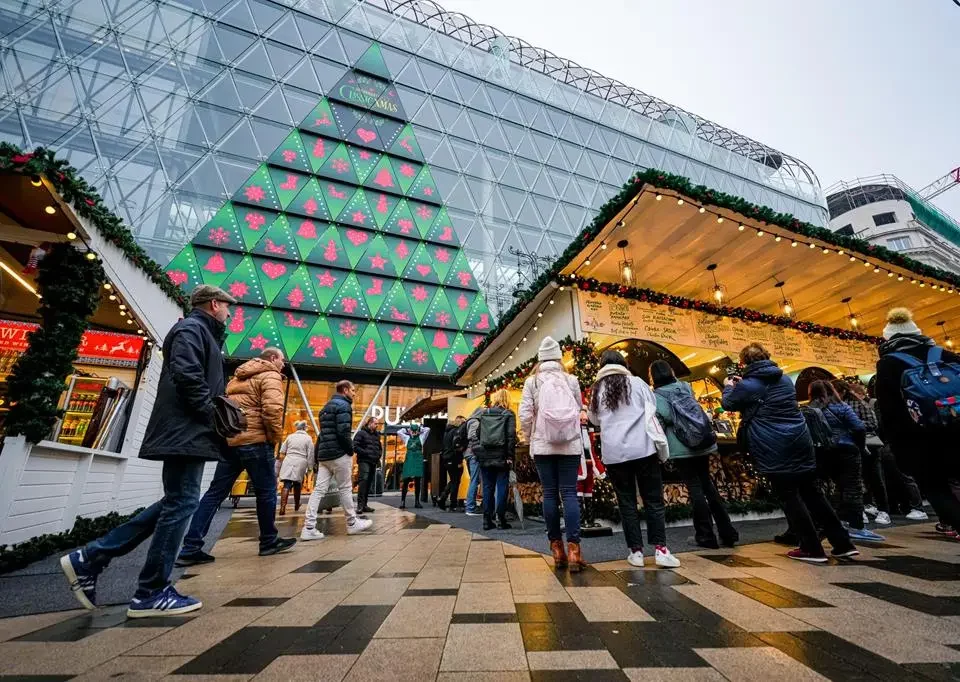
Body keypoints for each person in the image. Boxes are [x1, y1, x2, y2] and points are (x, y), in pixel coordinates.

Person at [60, 285, 237, 617]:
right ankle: (150, 591)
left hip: (188, 430)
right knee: (182, 501)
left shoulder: (199, 332)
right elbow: (187, 376)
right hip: (186, 429)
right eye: (229, 307)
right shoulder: (192, 329)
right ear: (215, 303)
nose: (230, 313)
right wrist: (211, 415)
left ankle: (93, 558)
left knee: (178, 501)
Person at [722, 343, 858, 563]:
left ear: (744, 362)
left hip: (773, 444)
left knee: (789, 496)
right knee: (813, 493)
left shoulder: (749, 384)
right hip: (800, 439)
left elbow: (728, 403)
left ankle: (811, 548)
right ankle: (843, 543)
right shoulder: (784, 379)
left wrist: (729, 386)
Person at [178, 347, 298, 564]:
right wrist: (274, 438)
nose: (283, 364)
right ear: (272, 358)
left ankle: (190, 547)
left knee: (215, 494)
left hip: (232, 442)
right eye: (282, 359)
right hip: (256, 442)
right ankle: (269, 541)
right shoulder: (270, 376)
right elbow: (272, 410)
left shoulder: (237, 378)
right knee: (267, 492)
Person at [587, 352, 678, 568]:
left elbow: (593, 419)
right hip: (643, 449)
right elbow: (652, 406)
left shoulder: (597, 389)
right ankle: (661, 550)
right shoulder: (637, 383)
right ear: (623, 364)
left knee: (626, 502)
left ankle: (635, 552)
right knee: (653, 500)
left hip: (614, 453)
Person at [875, 307, 960, 536]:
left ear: (888, 337)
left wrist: (896, 446)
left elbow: (888, 410)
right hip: (956, 429)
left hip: (920, 440)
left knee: (937, 490)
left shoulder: (889, 363)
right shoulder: (944, 354)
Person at [650, 360, 738, 550]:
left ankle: (706, 535)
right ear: (671, 371)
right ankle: (727, 532)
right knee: (708, 485)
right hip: (702, 443)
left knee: (695, 488)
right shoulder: (685, 387)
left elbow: (661, 421)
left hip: (681, 448)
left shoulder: (657, 396)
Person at [519, 337, 586, 572]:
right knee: (569, 493)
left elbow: (525, 415)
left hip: (543, 446)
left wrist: (530, 437)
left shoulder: (532, 382)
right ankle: (575, 551)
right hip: (569, 445)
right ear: (559, 358)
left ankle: (557, 550)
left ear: (539, 359)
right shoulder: (571, 380)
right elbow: (578, 410)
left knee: (549, 494)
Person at [808, 380, 884, 543]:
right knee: (852, 487)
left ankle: (836, 522)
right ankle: (856, 525)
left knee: (834, 487)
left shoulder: (811, 410)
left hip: (825, 452)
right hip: (847, 449)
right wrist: (860, 444)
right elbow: (859, 427)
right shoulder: (842, 407)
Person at [301, 381, 373, 539]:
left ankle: (308, 527)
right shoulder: (344, 406)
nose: (354, 393)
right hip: (339, 454)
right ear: (345, 390)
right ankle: (352, 523)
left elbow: (323, 434)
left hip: (325, 455)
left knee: (318, 490)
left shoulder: (325, 408)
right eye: (353, 390)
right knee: (345, 488)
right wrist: (350, 450)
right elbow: (343, 432)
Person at [834, 380, 891, 527]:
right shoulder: (838, 406)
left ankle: (884, 510)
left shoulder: (858, 404)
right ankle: (862, 509)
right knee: (858, 480)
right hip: (852, 446)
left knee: (875, 478)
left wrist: (853, 423)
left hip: (868, 446)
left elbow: (873, 423)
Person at [470, 392, 516, 530]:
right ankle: (501, 520)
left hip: (485, 455)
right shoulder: (509, 414)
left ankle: (486, 520)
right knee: (502, 487)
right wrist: (510, 456)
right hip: (501, 455)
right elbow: (510, 437)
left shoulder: (485, 413)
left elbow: (477, 434)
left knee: (487, 487)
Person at [278, 421, 314, 516]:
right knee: (298, 483)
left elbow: (282, 451)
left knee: (287, 484)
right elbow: (310, 454)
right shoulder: (308, 438)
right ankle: (297, 505)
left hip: (289, 460)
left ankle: (282, 507)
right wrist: (310, 467)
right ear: (304, 428)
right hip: (301, 461)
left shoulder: (290, 437)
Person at [353, 416, 382, 515]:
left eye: (377, 424)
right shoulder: (361, 433)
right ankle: (360, 506)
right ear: (370, 423)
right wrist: (365, 453)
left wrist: (378, 456)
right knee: (363, 481)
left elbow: (379, 447)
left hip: (373, 461)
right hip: (364, 461)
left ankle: (365, 505)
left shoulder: (377, 435)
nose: (377, 425)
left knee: (368, 483)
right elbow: (354, 446)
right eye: (375, 423)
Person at [397, 423, 431, 509]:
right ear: (410, 431)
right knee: (406, 481)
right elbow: (399, 432)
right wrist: (407, 430)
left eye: (415, 431)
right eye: (413, 431)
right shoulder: (407, 438)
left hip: (417, 460)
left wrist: (420, 429)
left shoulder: (421, 437)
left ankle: (417, 502)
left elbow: (428, 429)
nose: (414, 433)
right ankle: (402, 501)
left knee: (417, 481)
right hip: (409, 460)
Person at [438, 416, 466, 511]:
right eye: (463, 423)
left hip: (446, 458)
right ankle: (452, 504)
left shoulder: (447, 431)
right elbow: (457, 447)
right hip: (454, 459)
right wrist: (459, 461)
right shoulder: (455, 432)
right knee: (455, 481)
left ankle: (443, 498)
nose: (464, 425)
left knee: (453, 480)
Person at [463, 408, 483, 516]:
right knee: (474, 481)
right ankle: (470, 507)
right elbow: (473, 437)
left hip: (469, 454)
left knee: (476, 480)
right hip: (473, 454)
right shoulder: (474, 422)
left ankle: (471, 505)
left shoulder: (470, 421)